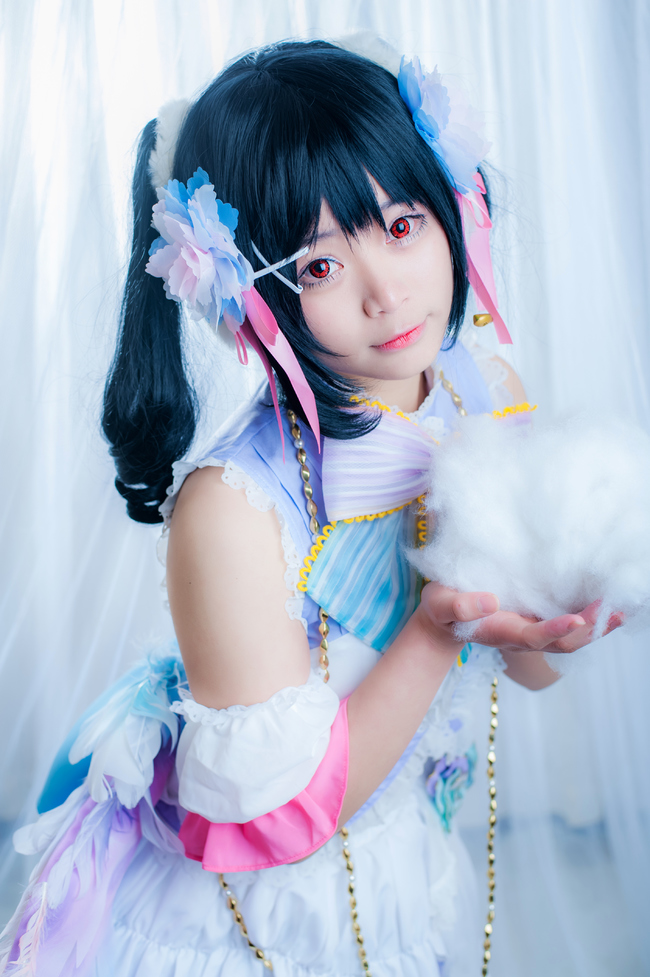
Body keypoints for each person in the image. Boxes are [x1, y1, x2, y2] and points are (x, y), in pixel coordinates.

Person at [0, 39, 620, 977]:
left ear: (451, 204)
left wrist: (558, 606)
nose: (388, 291)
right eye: (320, 268)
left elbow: (530, 667)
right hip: (258, 912)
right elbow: (282, 819)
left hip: (400, 849)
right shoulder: (231, 507)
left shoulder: (482, 390)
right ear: (245, 297)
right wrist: (437, 629)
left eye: (403, 224)